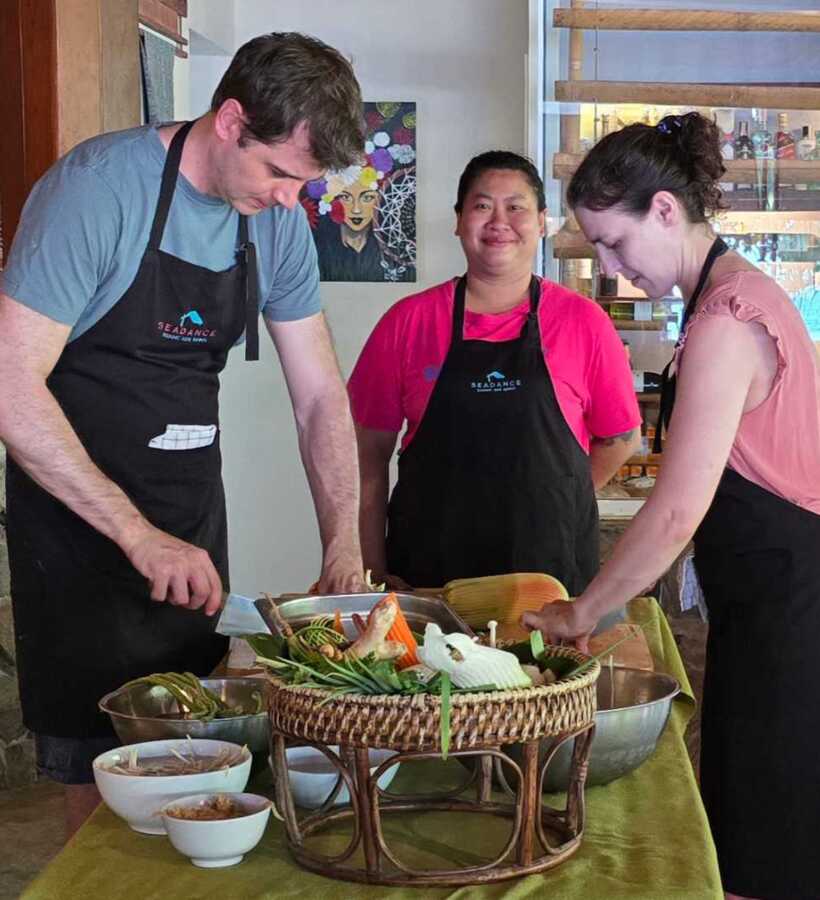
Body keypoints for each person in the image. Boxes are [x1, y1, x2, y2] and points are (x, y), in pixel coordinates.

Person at [0, 32, 368, 837]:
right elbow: (9, 383)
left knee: (202, 759)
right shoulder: (97, 192)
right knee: (104, 779)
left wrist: (343, 546)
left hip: (190, 522)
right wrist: (135, 534)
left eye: (304, 184)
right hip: (80, 532)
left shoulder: (275, 222)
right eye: (279, 174)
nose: (290, 201)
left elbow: (320, 400)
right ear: (230, 121)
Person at [522, 113, 820, 900]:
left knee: (767, 856)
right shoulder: (733, 294)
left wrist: (584, 611)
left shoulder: (727, 321)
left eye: (615, 243)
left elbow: (676, 513)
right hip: (766, 613)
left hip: (792, 620)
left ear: (663, 210)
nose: (612, 267)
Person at [348, 151, 641, 595]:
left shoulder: (584, 322)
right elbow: (366, 460)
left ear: (541, 222)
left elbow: (621, 439)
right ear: (459, 221)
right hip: (428, 581)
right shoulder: (408, 322)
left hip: (549, 584)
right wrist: (371, 569)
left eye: (516, 207)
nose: (499, 222)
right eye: (482, 206)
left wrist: (557, 500)